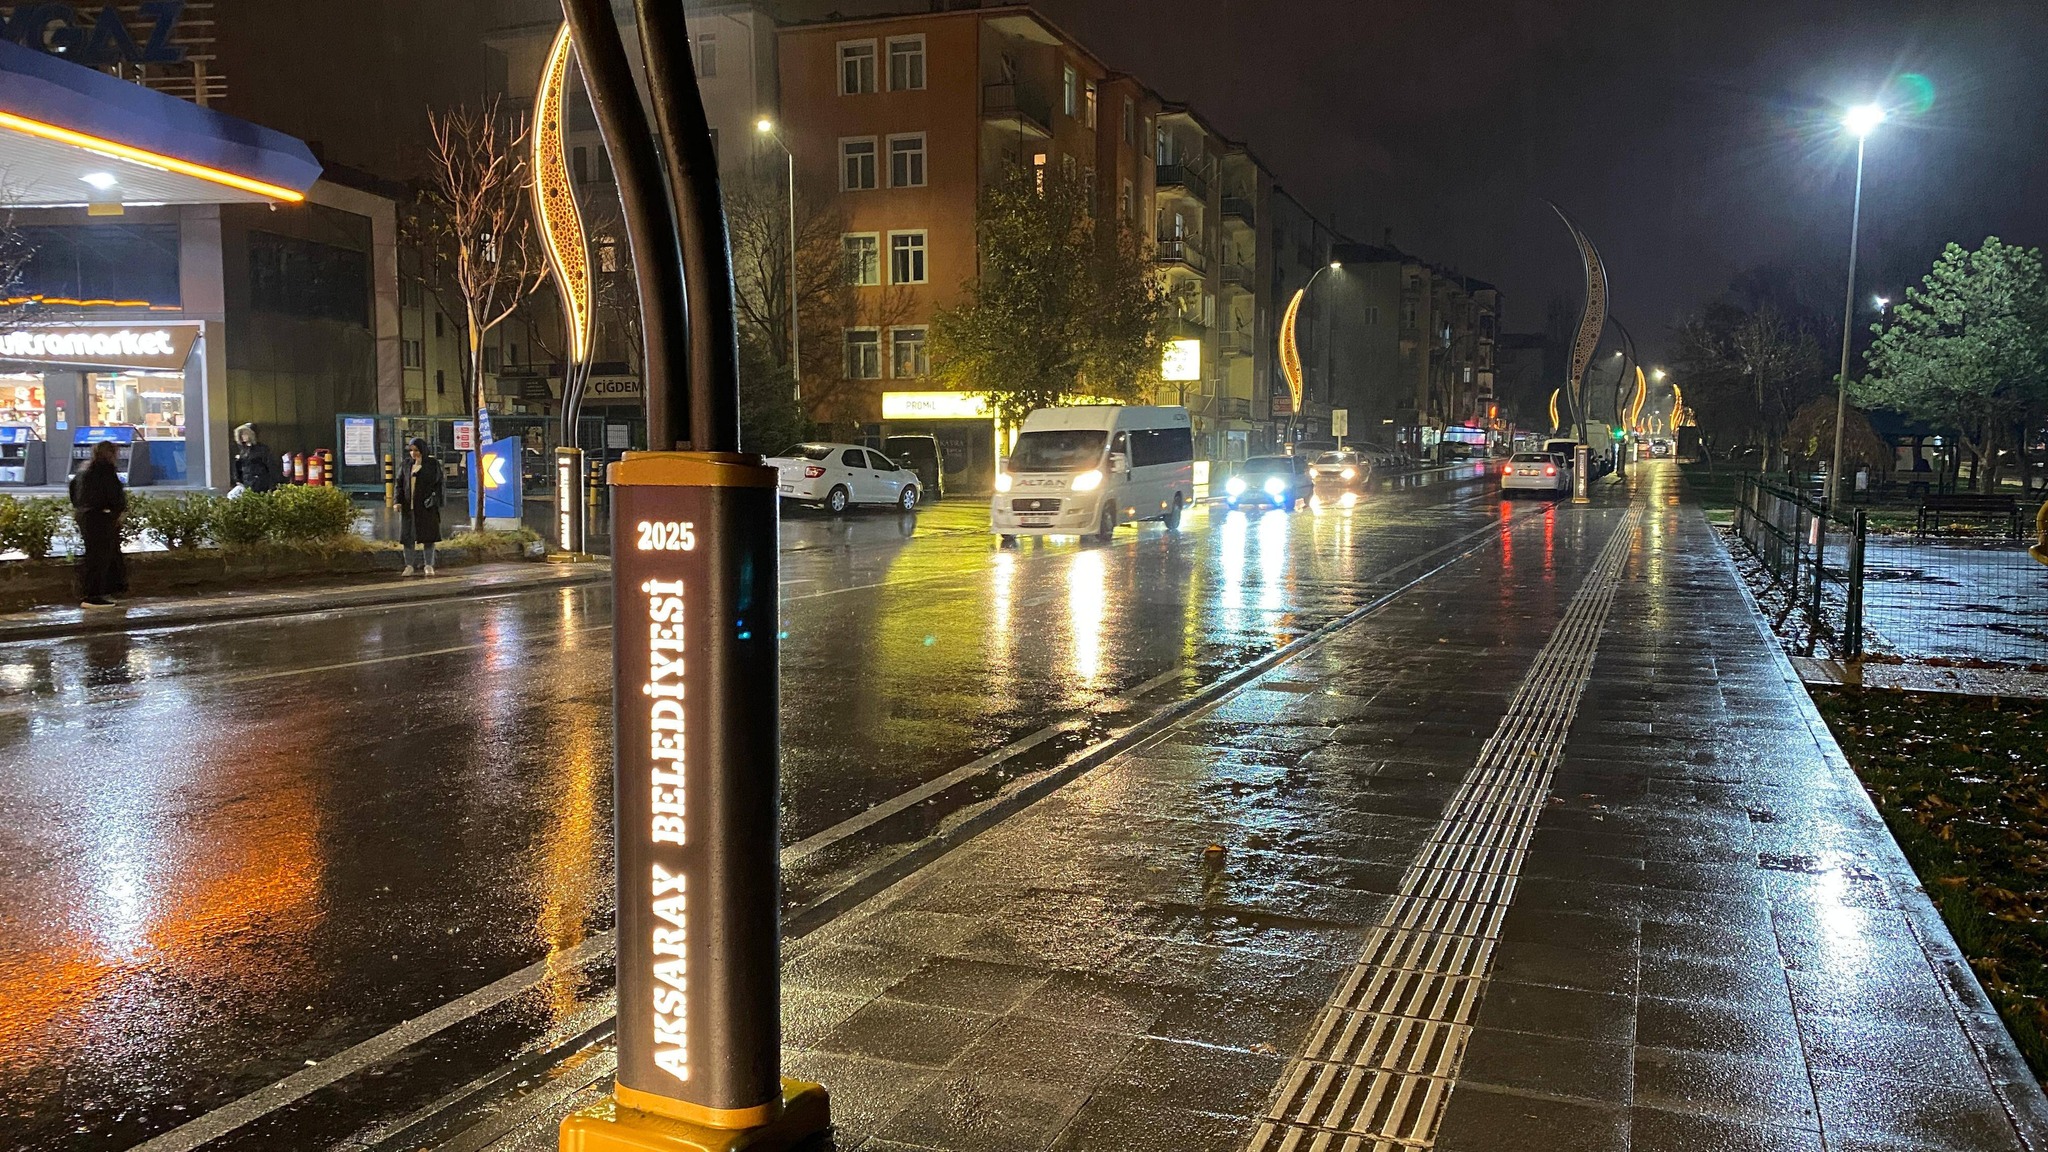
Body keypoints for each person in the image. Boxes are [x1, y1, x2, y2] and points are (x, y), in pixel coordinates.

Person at [68, 439, 128, 607]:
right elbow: (114, 495)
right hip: (99, 517)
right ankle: (92, 596)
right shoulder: (105, 470)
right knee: (99, 557)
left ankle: (105, 590)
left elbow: (73, 490)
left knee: (97, 554)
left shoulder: (84, 469)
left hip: (85, 515)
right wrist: (116, 511)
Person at [396, 437, 443, 577]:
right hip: (408, 507)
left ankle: (428, 565)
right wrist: (397, 501)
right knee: (408, 538)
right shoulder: (406, 464)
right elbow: (399, 484)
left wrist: (435, 500)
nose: (413, 453)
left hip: (426, 507)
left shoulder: (432, 464)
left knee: (428, 537)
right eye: (411, 450)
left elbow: (438, 483)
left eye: (416, 450)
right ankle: (409, 565)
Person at [230, 423, 278, 494]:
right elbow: (238, 467)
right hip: (246, 482)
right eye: (242, 434)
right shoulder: (242, 450)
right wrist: (238, 480)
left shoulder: (261, 449)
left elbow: (270, 465)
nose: (243, 436)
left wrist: (272, 485)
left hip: (260, 482)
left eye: (245, 434)